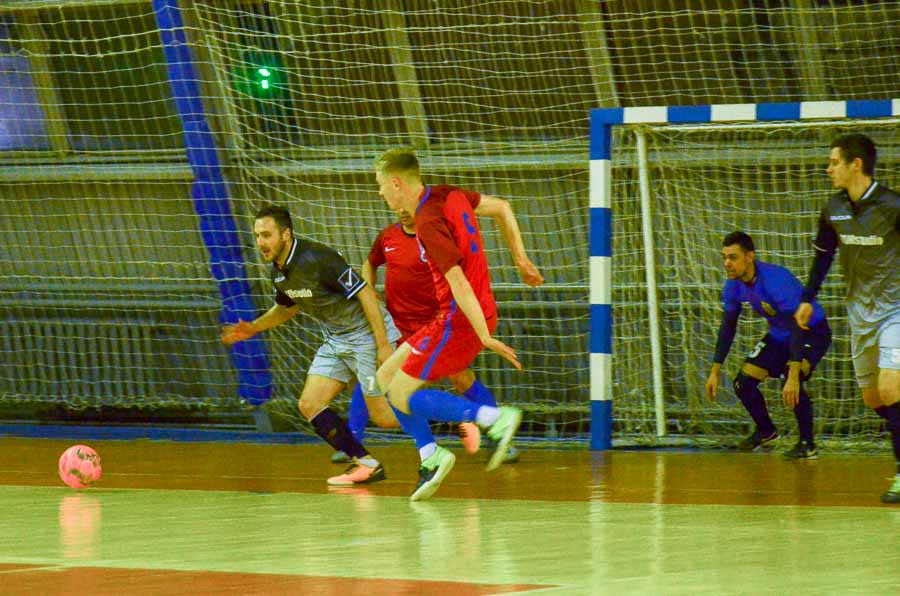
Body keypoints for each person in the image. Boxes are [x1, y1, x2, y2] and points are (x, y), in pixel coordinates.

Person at [372, 148, 528, 501]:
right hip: (455, 317)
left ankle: (492, 418)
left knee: (400, 393)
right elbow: (502, 207)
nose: (380, 193)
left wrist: (484, 335)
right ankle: (431, 455)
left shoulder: (427, 221)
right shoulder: (450, 194)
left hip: (459, 320)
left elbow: (457, 280)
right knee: (383, 378)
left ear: (396, 183)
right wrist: (521, 259)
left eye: (381, 185)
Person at [332, 204, 543, 465]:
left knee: (460, 377)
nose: (403, 210)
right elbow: (370, 263)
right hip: (400, 326)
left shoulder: (434, 237)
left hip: (436, 325)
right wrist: (371, 289)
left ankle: (498, 434)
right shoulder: (388, 237)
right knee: (379, 377)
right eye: (397, 206)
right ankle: (354, 441)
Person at [221, 204, 401, 487]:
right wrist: (253, 328)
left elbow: (366, 293)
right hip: (336, 339)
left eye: (267, 235)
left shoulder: (318, 259)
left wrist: (382, 345)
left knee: (385, 418)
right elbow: (286, 308)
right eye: (257, 236)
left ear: (286, 234)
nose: (260, 243)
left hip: (366, 335)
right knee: (310, 404)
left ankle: (459, 419)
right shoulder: (278, 272)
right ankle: (366, 464)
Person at [794, 133, 900, 503]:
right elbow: (823, 257)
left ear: (856, 164)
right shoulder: (832, 208)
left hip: (896, 312)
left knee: (891, 388)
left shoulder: (892, 206)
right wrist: (807, 299)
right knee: (874, 398)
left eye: (834, 162)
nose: (829, 168)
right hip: (860, 315)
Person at [705, 231, 832, 458]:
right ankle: (766, 431)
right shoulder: (733, 285)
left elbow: (797, 325)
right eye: (724, 257)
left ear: (750, 257)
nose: (727, 263)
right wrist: (715, 371)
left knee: (790, 378)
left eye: (733, 257)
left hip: (811, 332)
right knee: (742, 384)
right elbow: (728, 326)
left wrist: (793, 375)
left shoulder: (776, 280)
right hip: (779, 335)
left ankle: (808, 444)